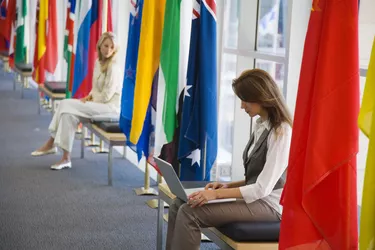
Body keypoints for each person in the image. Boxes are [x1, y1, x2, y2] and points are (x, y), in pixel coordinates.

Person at [166, 69, 293, 250]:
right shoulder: (260, 125)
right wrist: (227, 186)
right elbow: (256, 178)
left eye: (245, 100)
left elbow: (262, 188)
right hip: (256, 199)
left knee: (189, 213)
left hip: (269, 206)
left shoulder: (281, 132)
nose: (242, 106)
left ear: (261, 97)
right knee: (179, 203)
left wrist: (216, 194)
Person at [31, 32, 122, 170]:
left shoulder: (113, 67)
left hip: (109, 107)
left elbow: (106, 96)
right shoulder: (99, 62)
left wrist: (89, 102)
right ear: (100, 46)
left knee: (64, 103)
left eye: (111, 47)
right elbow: (96, 88)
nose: (108, 50)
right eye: (106, 46)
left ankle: (51, 142)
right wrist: (88, 97)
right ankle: (66, 158)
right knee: (68, 115)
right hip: (98, 103)